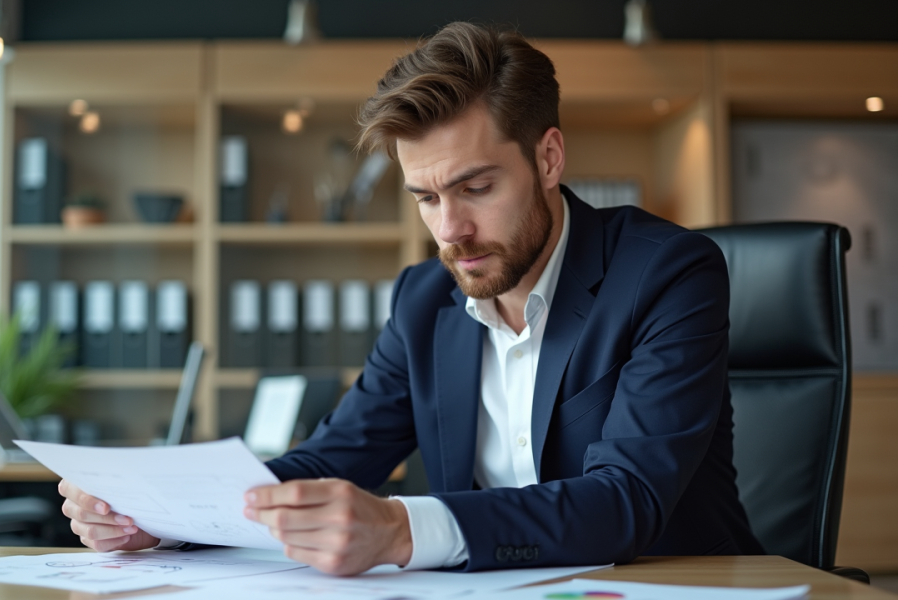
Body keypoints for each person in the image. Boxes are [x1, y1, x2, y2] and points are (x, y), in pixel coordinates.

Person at [59, 21, 764, 576]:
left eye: (477, 187)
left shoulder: (668, 274)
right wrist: (167, 517)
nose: (450, 229)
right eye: (426, 197)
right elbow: (334, 458)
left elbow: (625, 500)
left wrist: (401, 528)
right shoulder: (424, 298)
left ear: (549, 158)